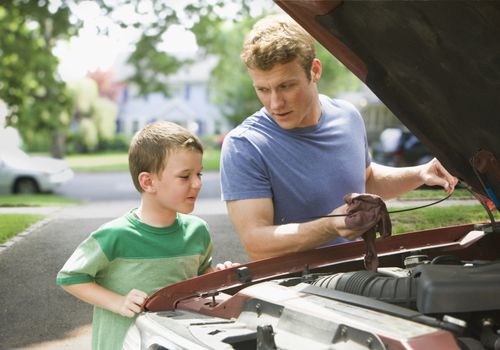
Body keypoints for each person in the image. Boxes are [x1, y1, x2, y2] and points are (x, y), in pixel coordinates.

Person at [220, 15, 458, 261]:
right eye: (263, 89)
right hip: (291, 286)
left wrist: (420, 174)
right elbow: (257, 242)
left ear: (314, 71)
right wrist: (329, 226)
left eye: (286, 86)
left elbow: (365, 180)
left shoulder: (347, 116)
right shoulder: (244, 145)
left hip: (360, 267)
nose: (275, 103)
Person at [57, 121, 236, 350]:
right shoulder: (115, 235)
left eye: (199, 173)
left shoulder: (197, 231)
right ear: (148, 182)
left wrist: (220, 280)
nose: (198, 183)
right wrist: (118, 302)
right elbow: (70, 277)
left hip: (177, 343)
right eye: (185, 176)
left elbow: (201, 278)